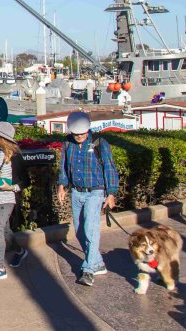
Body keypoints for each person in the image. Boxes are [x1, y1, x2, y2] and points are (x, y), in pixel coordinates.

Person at [57, 111, 119, 286]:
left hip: (95, 192)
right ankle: (98, 263)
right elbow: (64, 167)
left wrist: (111, 193)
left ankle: (88, 270)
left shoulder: (100, 143)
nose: (79, 137)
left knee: (91, 230)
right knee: (79, 231)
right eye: (76, 134)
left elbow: (109, 168)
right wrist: (62, 185)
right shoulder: (67, 144)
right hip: (77, 192)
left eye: (82, 134)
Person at [0, 121, 29, 281]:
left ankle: (0, 268)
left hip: (7, 199)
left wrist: (13, 188)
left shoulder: (16, 157)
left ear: (3, 138)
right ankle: (20, 251)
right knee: (6, 230)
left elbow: (26, 181)